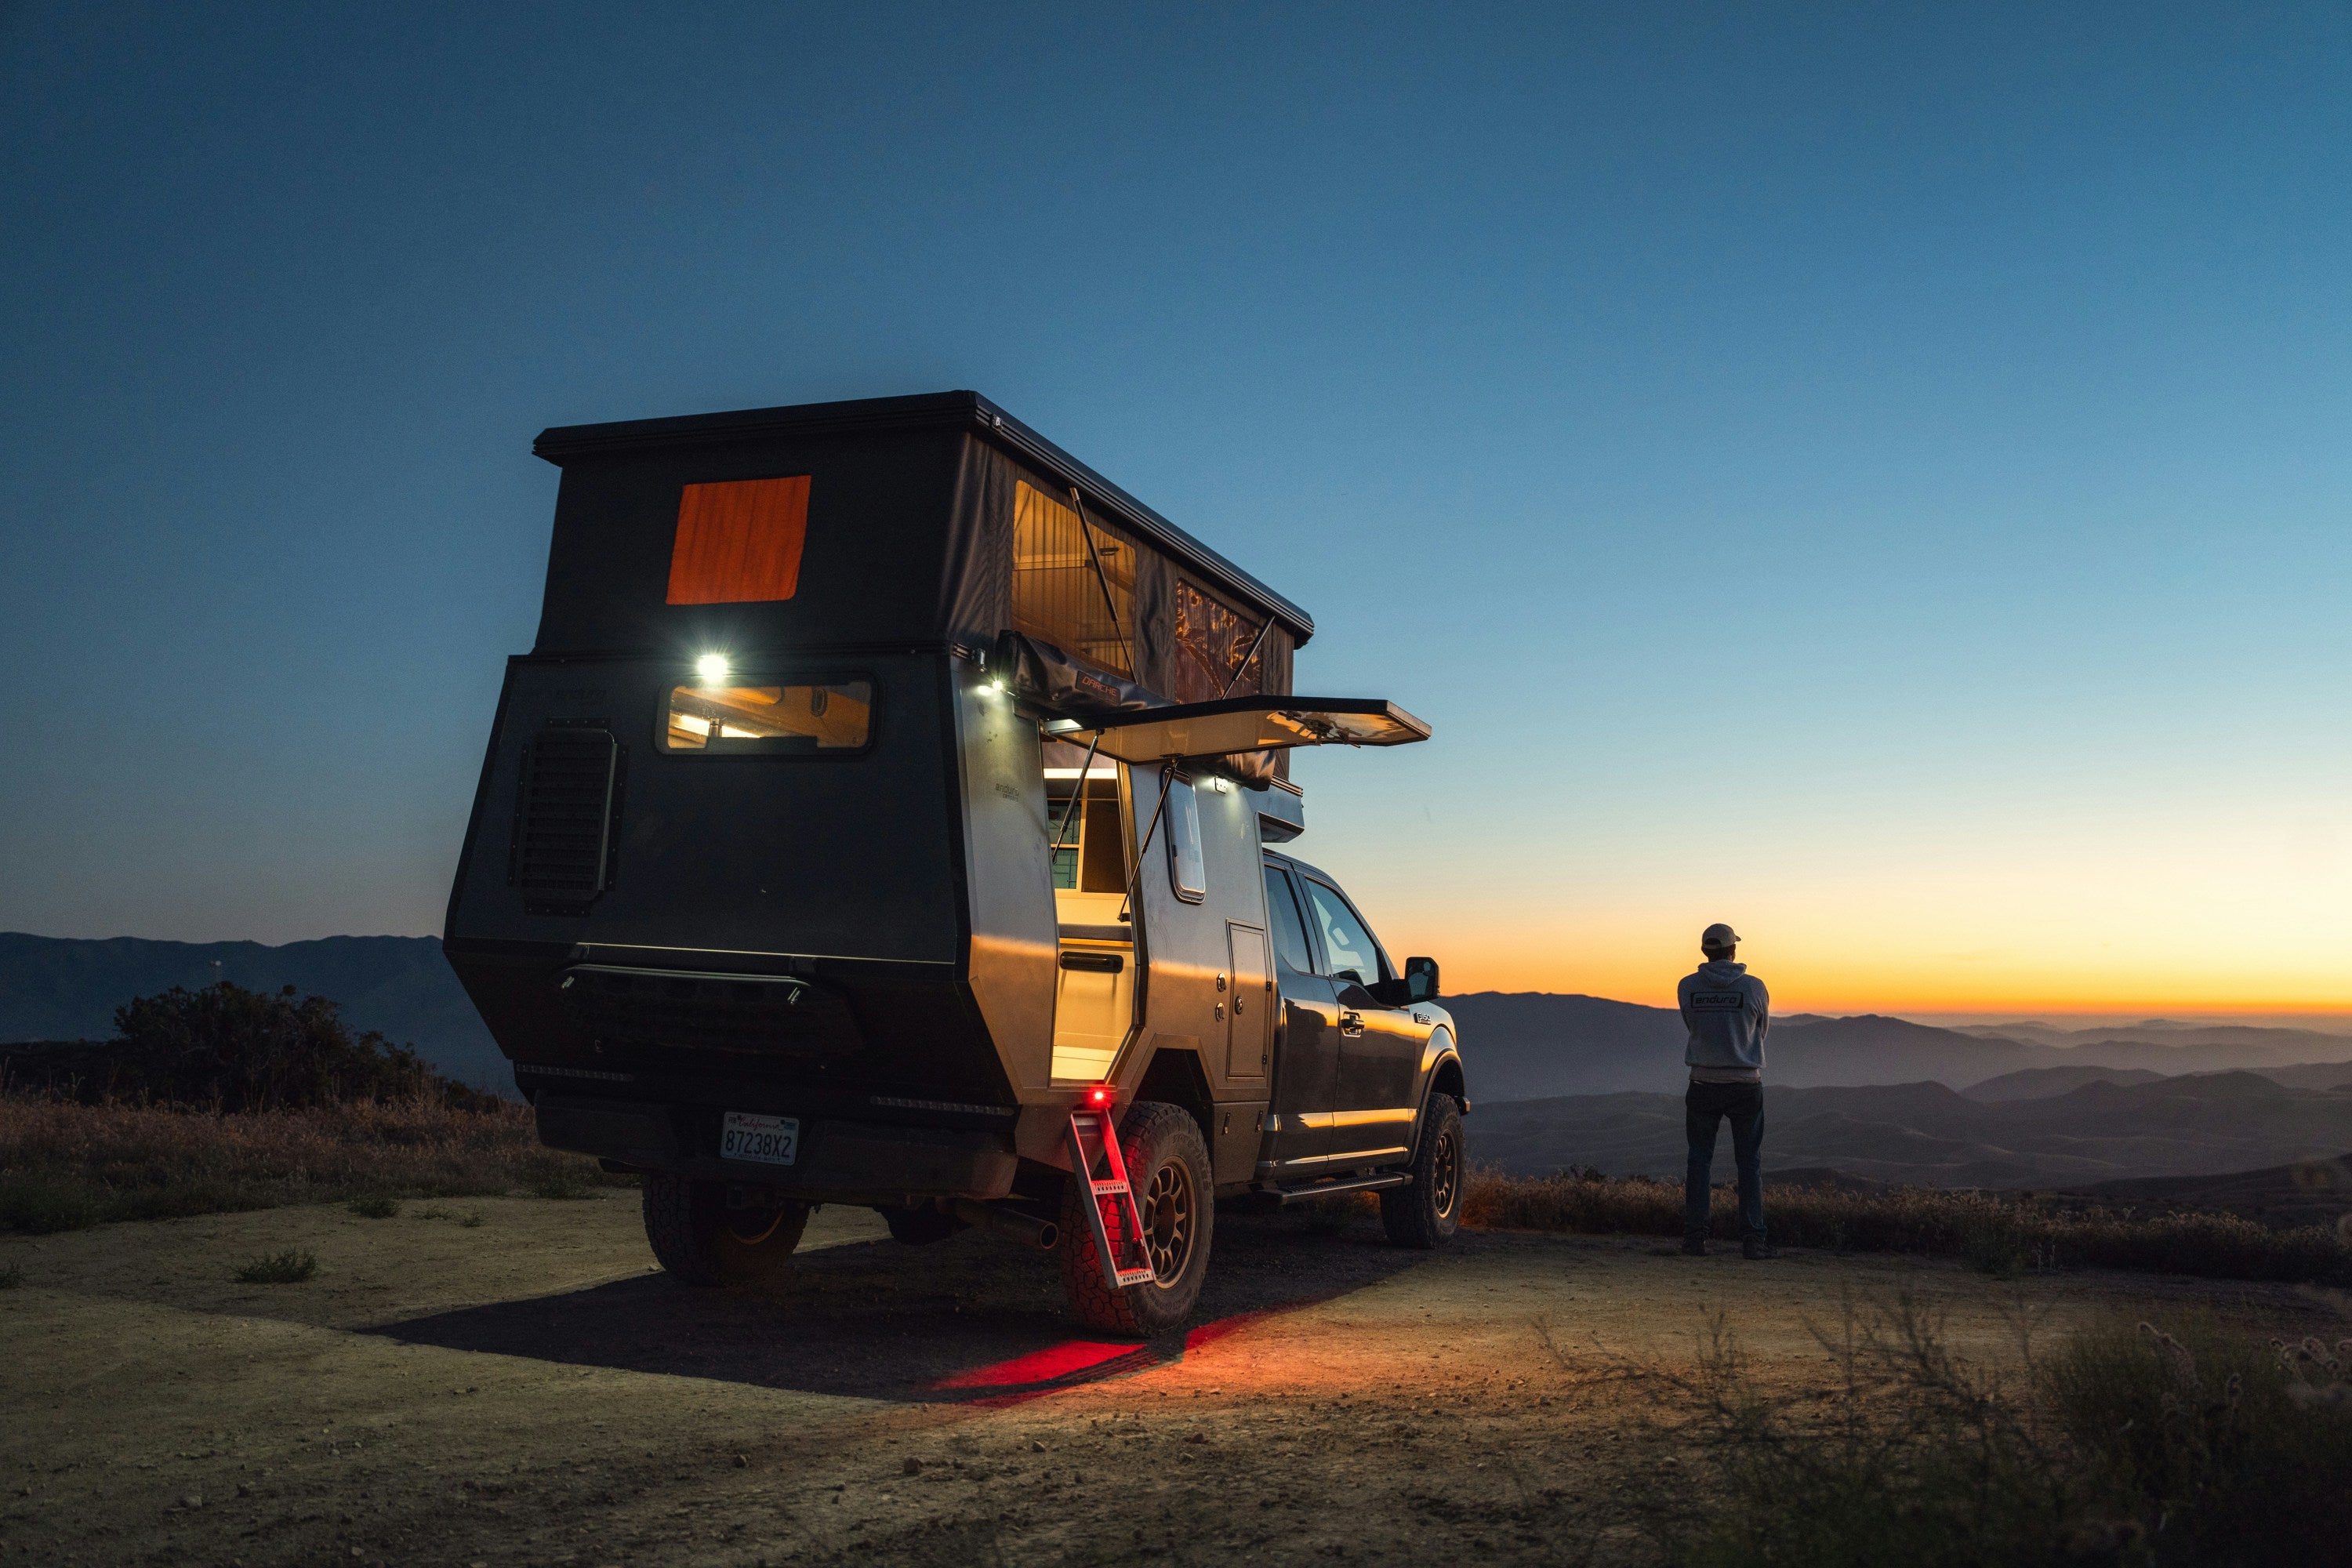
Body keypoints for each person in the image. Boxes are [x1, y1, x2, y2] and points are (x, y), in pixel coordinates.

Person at [1677, 923, 1772, 1258]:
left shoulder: (1687, 987)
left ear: (1705, 951)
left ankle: (1695, 1239)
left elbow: (1693, 1026)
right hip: (1746, 1084)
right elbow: (1760, 1031)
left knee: (1699, 1161)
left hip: (1702, 1082)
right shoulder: (1755, 987)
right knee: (1749, 1163)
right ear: (1734, 950)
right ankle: (1753, 1241)